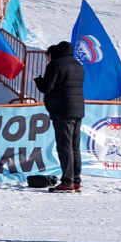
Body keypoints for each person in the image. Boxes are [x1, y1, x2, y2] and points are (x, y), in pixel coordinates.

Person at [33, 42, 85, 193]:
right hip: (78, 109)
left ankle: (67, 183)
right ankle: (76, 180)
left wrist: (39, 81)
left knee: (64, 146)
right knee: (75, 147)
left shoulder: (56, 65)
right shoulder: (78, 65)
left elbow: (47, 87)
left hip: (62, 109)